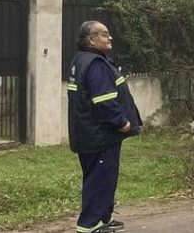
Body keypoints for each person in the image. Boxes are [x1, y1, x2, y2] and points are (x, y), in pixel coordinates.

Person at [67, 21, 143, 233]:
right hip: (100, 135)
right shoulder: (96, 65)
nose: (110, 38)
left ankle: (102, 218)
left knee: (103, 178)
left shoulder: (81, 60)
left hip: (88, 133)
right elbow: (104, 101)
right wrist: (122, 122)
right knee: (99, 180)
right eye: (104, 34)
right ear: (92, 39)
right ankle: (89, 224)